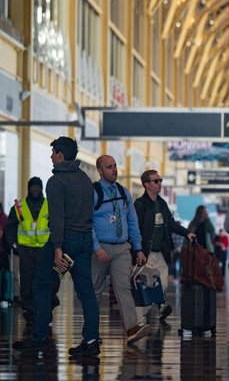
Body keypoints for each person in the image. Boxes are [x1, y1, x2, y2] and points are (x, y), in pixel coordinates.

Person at [13, 136, 101, 357]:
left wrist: (58, 248)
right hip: (84, 241)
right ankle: (91, 340)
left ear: (61, 155)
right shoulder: (84, 179)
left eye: (53, 152)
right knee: (86, 291)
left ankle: (39, 337)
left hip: (65, 242)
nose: (51, 156)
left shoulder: (56, 181)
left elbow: (58, 217)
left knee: (41, 284)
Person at [90, 155, 149, 344]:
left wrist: (138, 248)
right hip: (100, 248)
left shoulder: (124, 193)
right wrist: (96, 246)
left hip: (122, 248)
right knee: (95, 291)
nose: (114, 170)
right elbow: (87, 222)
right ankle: (91, 332)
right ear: (100, 171)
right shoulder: (94, 192)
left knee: (123, 287)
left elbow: (132, 221)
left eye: (115, 166)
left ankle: (132, 328)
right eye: (109, 167)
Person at [135, 169, 190, 325]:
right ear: (146, 184)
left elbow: (171, 224)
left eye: (160, 180)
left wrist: (187, 233)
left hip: (160, 253)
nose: (159, 184)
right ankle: (139, 320)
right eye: (156, 181)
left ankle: (141, 316)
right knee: (147, 287)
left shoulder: (162, 203)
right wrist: (137, 250)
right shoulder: (140, 205)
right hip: (145, 253)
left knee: (163, 284)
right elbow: (135, 228)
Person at [4, 177, 60, 324]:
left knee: (49, 281)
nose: (35, 190)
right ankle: (30, 312)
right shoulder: (19, 207)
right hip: (26, 250)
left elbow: (58, 225)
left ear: (41, 189)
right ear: (28, 189)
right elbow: (9, 228)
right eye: (32, 187)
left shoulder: (50, 205)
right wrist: (14, 245)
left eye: (37, 187)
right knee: (27, 283)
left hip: (46, 249)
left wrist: (57, 245)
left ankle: (47, 309)